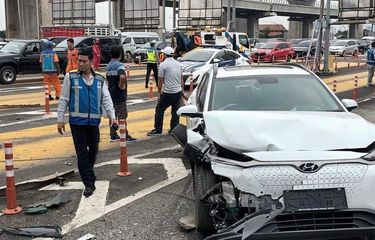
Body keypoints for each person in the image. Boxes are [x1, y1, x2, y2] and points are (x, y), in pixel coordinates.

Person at [57, 47, 118, 198]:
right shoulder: (70, 77)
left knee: (94, 150)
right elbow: (64, 98)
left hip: (93, 122)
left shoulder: (99, 79)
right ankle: (89, 183)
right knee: (82, 153)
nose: (80, 63)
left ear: (91, 61)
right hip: (77, 122)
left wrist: (112, 116)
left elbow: (106, 99)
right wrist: (60, 119)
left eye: (84, 61)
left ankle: (87, 172)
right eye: (79, 60)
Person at [147, 46, 184, 136]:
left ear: (165, 55)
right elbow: (181, 80)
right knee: (175, 111)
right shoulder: (179, 64)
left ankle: (158, 129)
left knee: (159, 109)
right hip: (177, 91)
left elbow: (160, 80)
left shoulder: (163, 65)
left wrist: (159, 92)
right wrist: (182, 92)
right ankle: (174, 129)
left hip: (168, 92)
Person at [106, 46, 137, 143]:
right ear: (120, 54)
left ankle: (113, 135)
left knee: (113, 115)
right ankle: (125, 135)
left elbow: (107, 78)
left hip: (111, 93)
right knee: (122, 115)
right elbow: (122, 76)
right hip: (119, 94)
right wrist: (121, 85)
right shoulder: (120, 65)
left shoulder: (108, 65)